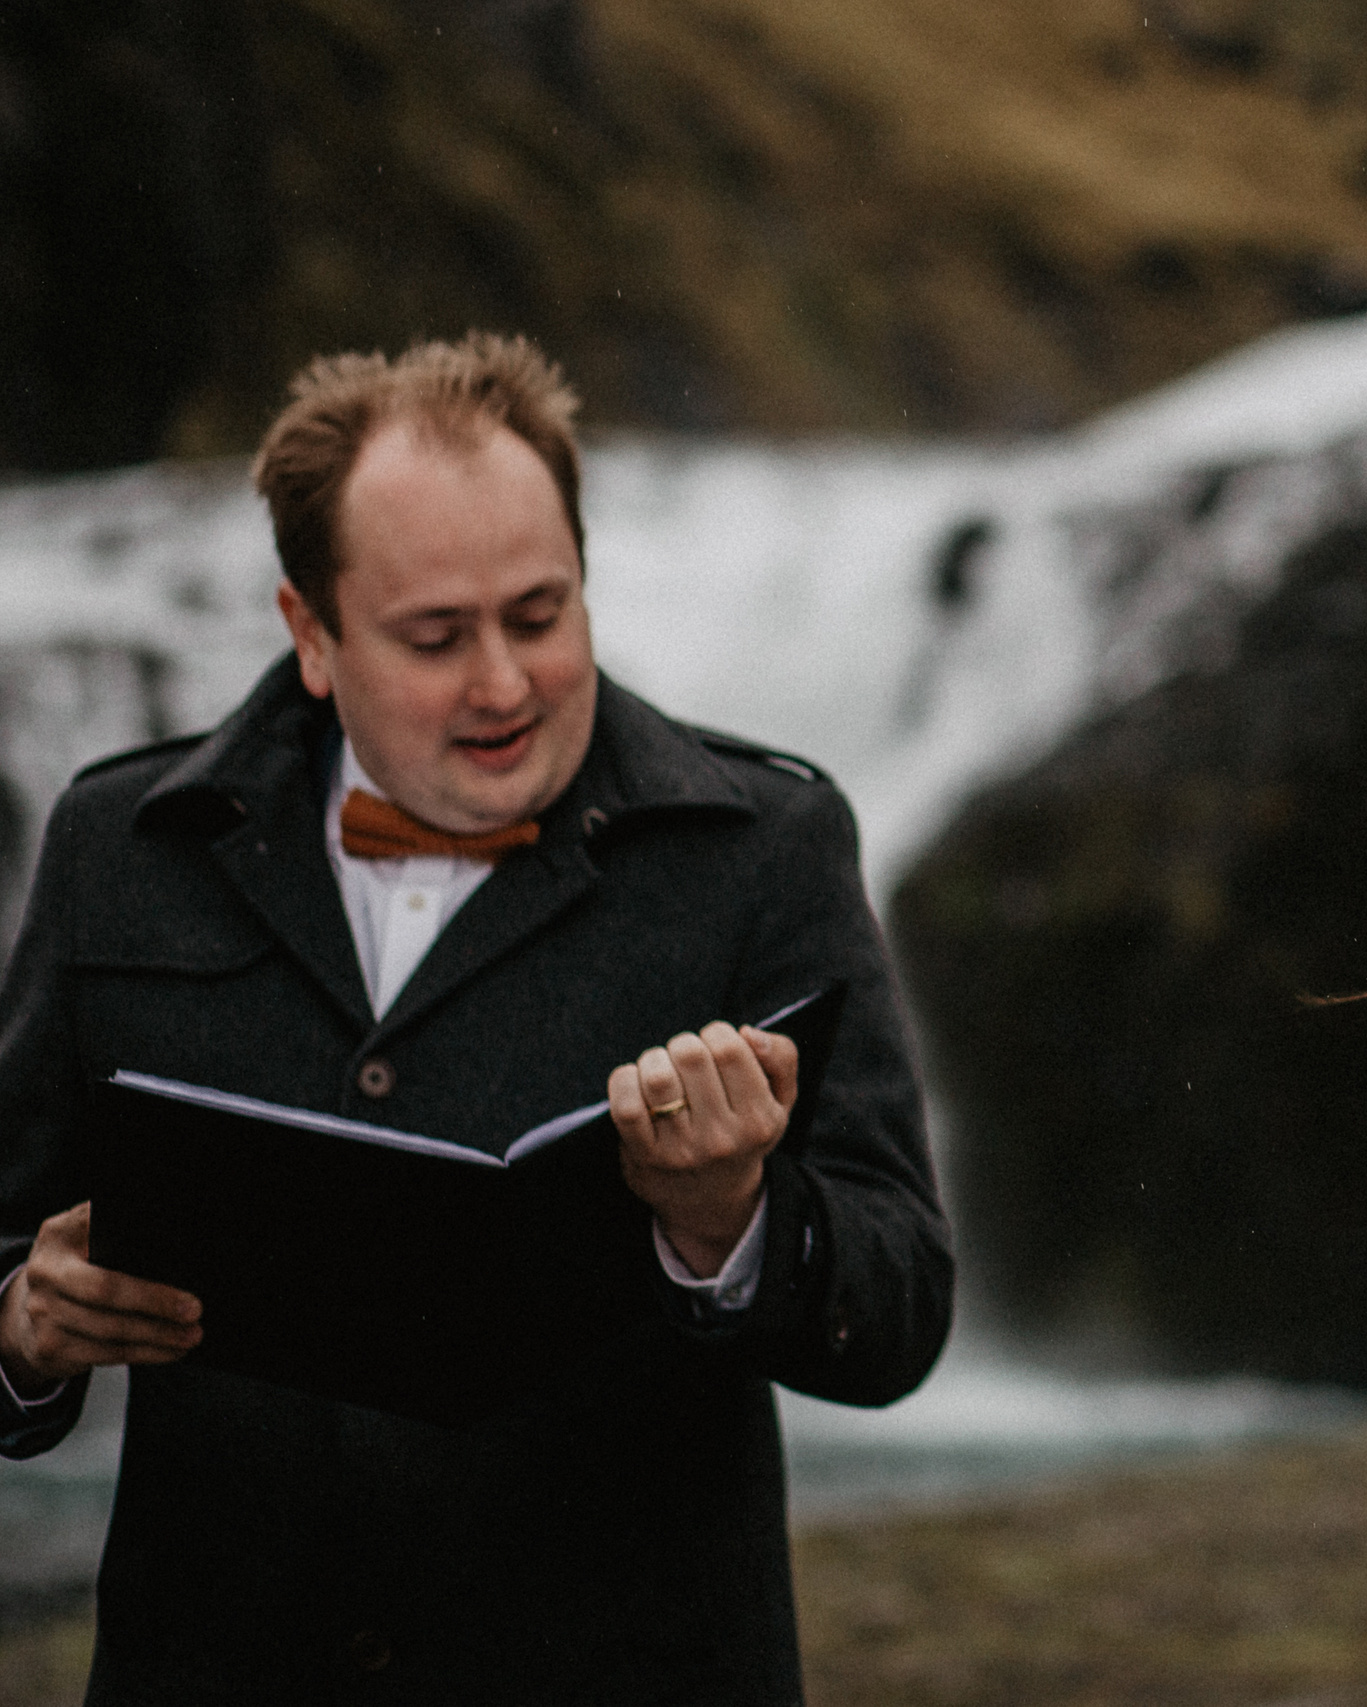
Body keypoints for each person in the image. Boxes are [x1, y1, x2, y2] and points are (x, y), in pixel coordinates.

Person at [0, 333, 953, 1702]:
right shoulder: (120, 846)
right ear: (312, 636)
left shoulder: (766, 849)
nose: (504, 683)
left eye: (540, 615)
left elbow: (902, 1309)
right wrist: (24, 1329)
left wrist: (730, 1219)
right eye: (436, 637)